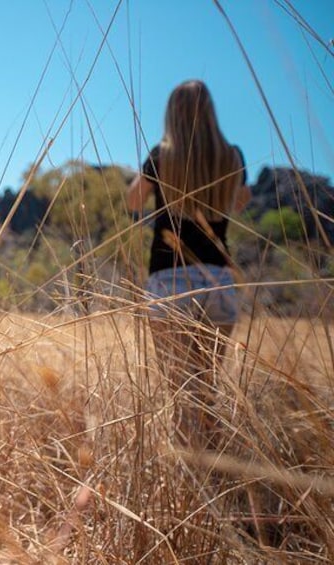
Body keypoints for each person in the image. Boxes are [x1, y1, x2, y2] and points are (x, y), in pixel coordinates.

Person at [127, 80, 251, 449]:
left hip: (169, 278)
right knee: (206, 386)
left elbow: (133, 201)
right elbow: (239, 203)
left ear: (172, 113)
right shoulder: (232, 156)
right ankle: (214, 465)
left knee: (180, 388)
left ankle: (190, 480)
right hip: (218, 277)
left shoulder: (161, 155)